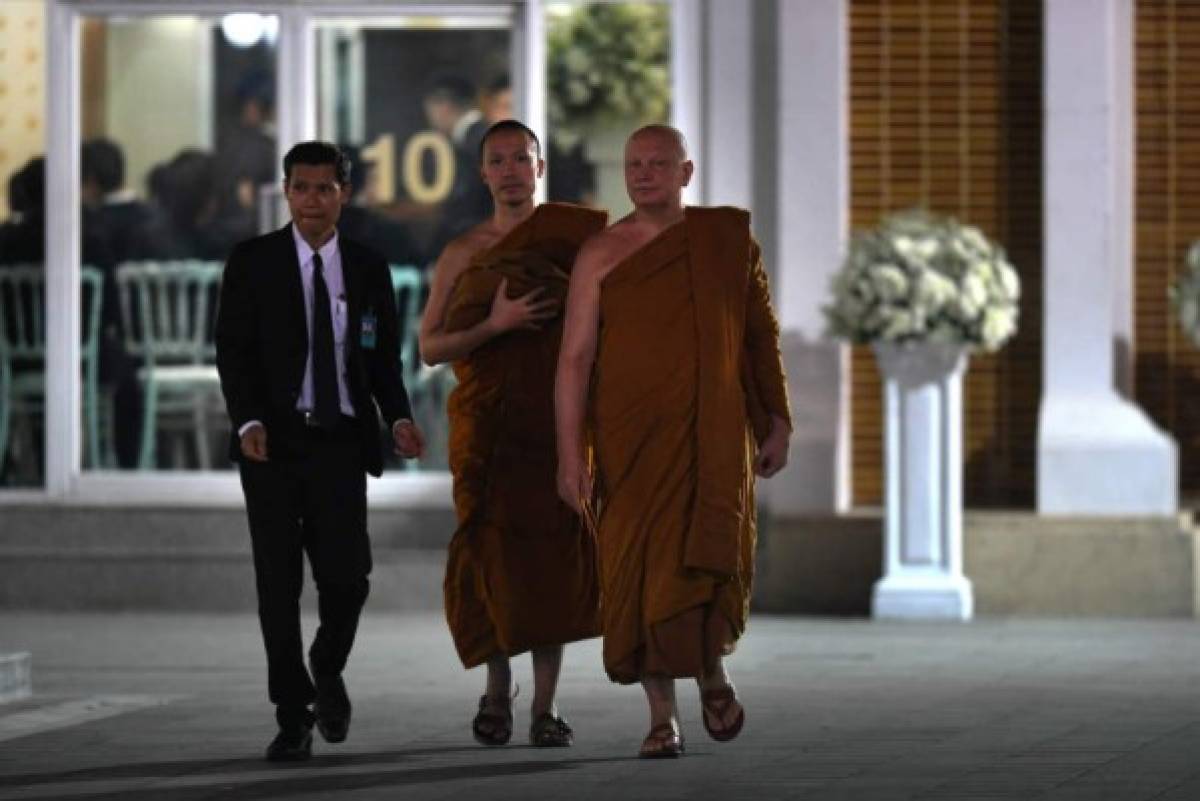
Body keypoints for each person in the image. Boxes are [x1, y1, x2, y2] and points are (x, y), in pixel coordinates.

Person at [554, 125, 792, 758]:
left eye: (660, 163)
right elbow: (574, 359)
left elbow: (758, 336)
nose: (644, 173)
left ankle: (711, 671)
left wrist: (779, 418)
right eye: (635, 163)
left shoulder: (725, 240)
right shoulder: (601, 253)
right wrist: (569, 453)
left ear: (686, 173)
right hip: (629, 442)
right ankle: (662, 718)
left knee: (704, 559)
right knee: (639, 574)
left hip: (714, 436)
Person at [215, 140, 426, 762]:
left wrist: (400, 417)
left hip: (339, 442)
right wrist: (248, 419)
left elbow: (381, 358)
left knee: (348, 578)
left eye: (325, 188)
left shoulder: (366, 267)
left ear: (345, 194)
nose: (312, 199)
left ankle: (326, 664)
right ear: (285, 191)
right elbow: (234, 352)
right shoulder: (252, 262)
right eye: (301, 187)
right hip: (273, 446)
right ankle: (292, 714)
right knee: (277, 585)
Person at [419, 120, 605, 748]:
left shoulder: (574, 242)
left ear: (541, 167)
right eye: (496, 161)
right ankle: (497, 693)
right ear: (482, 173)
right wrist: (497, 324)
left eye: (520, 159)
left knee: (550, 557)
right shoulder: (462, 251)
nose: (510, 171)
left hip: (553, 422)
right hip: (488, 427)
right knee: (491, 556)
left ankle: (545, 709)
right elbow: (429, 346)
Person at [422, 74, 493, 257]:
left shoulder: (476, 140)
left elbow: (467, 204)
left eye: (429, 108)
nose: (429, 117)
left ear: (443, 107)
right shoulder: (477, 136)